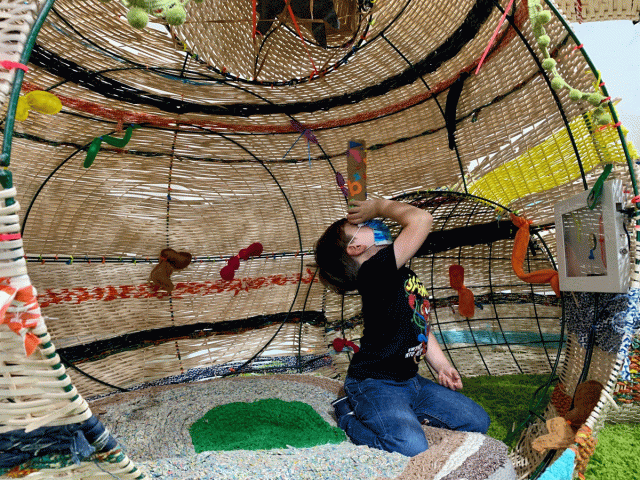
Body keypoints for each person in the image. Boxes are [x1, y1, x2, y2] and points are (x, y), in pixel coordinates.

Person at [314, 198, 490, 457]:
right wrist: (379, 207)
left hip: (410, 381)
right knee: (409, 447)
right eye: (364, 223)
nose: (372, 221)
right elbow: (421, 219)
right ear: (356, 247)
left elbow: (420, 326)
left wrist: (441, 366)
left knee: (477, 421)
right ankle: (347, 415)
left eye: (369, 218)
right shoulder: (373, 272)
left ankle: (404, 413)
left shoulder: (401, 274)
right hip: (374, 383)